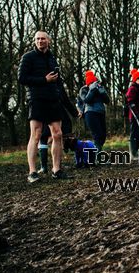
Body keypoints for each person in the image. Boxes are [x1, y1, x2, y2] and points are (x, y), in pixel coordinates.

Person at [18, 30, 68, 182]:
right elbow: (22, 78)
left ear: (49, 41)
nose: (40, 41)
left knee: (58, 134)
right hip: (37, 99)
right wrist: (43, 80)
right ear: (35, 41)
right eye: (37, 39)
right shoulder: (28, 57)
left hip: (53, 100)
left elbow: (58, 82)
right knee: (36, 134)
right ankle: (32, 173)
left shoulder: (53, 59)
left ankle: (56, 170)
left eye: (43, 39)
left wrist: (69, 106)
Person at [38, 81, 81, 173]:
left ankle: (48, 166)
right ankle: (51, 166)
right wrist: (75, 113)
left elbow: (65, 99)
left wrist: (75, 113)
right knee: (52, 138)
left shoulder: (46, 81)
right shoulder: (54, 82)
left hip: (50, 112)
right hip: (53, 112)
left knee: (49, 138)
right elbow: (65, 99)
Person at [77, 70, 110, 152]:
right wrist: (92, 90)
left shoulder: (99, 88)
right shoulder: (84, 89)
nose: (95, 84)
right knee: (97, 135)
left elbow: (107, 101)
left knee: (103, 135)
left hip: (101, 113)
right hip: (90, 113)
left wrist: (103, 93)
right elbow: (86, 100)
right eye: (93, 82)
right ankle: (96, 155)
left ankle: (95, 152)